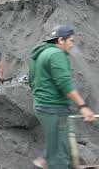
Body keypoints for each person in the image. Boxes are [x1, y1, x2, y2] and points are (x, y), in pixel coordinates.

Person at [29, 25, 96, 169]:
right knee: (59, 155)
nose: (72, 44)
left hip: (43, 106)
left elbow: (32, 80)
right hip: (53, 109)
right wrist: (83, 107)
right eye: (70, 41)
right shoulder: (56, 54)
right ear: (60, 40)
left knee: (55, 145)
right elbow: (65, 84)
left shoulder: (42, 53)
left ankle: (44, 162)